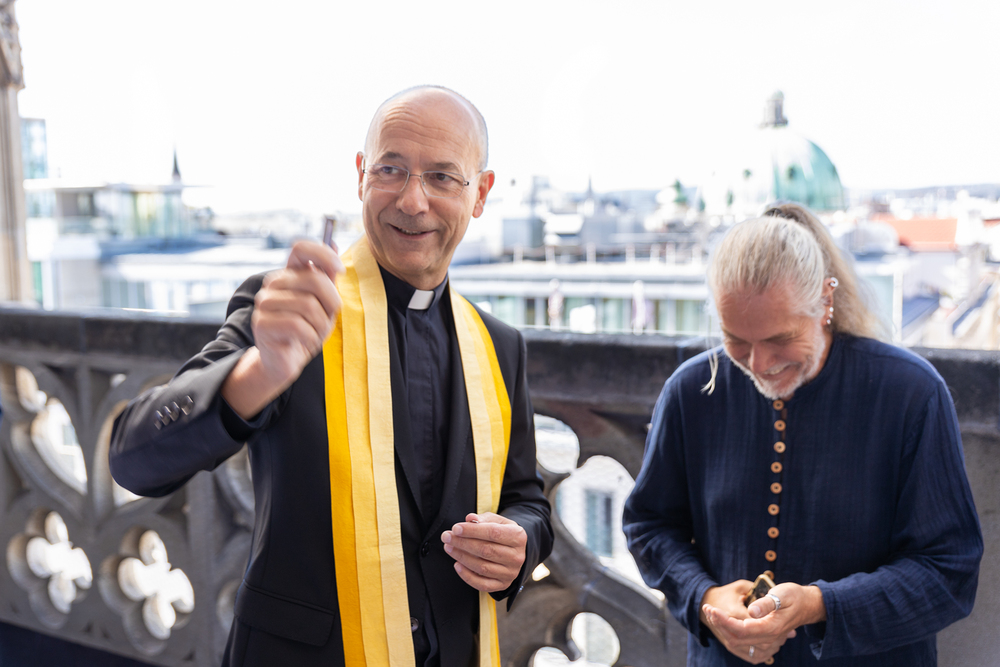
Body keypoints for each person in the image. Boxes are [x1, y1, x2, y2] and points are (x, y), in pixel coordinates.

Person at [110, 86, 552, 667]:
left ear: (481, 194)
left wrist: (520, 544)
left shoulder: (500, 345)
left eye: (443, 177)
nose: (412, 200)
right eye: (391, 169)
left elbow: (526, 500)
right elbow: (134, 459)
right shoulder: (292, 309)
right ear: (361, 175)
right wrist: (259, 371)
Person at [623, 203, 982, 666]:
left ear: (826, 301)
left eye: (780, 339)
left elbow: (948, 570)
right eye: (736, 340)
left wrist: (820, 605)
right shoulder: (691, 389)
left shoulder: (910, 393)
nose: (758, 365)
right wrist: (706, 596)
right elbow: (650, 525)